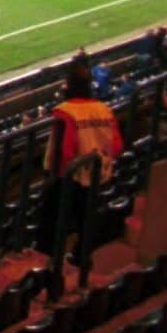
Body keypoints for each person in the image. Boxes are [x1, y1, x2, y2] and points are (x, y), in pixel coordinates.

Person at [44, 63, 124, 263]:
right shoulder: (104, 109)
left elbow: (65, 150)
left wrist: (56, 176)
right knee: (86, 219)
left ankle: (49, 265)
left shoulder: (65, 111)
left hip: (71, 177)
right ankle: (81, 258)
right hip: (97, 175)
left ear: (69, 85)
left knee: (53, 221)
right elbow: (117, 145)